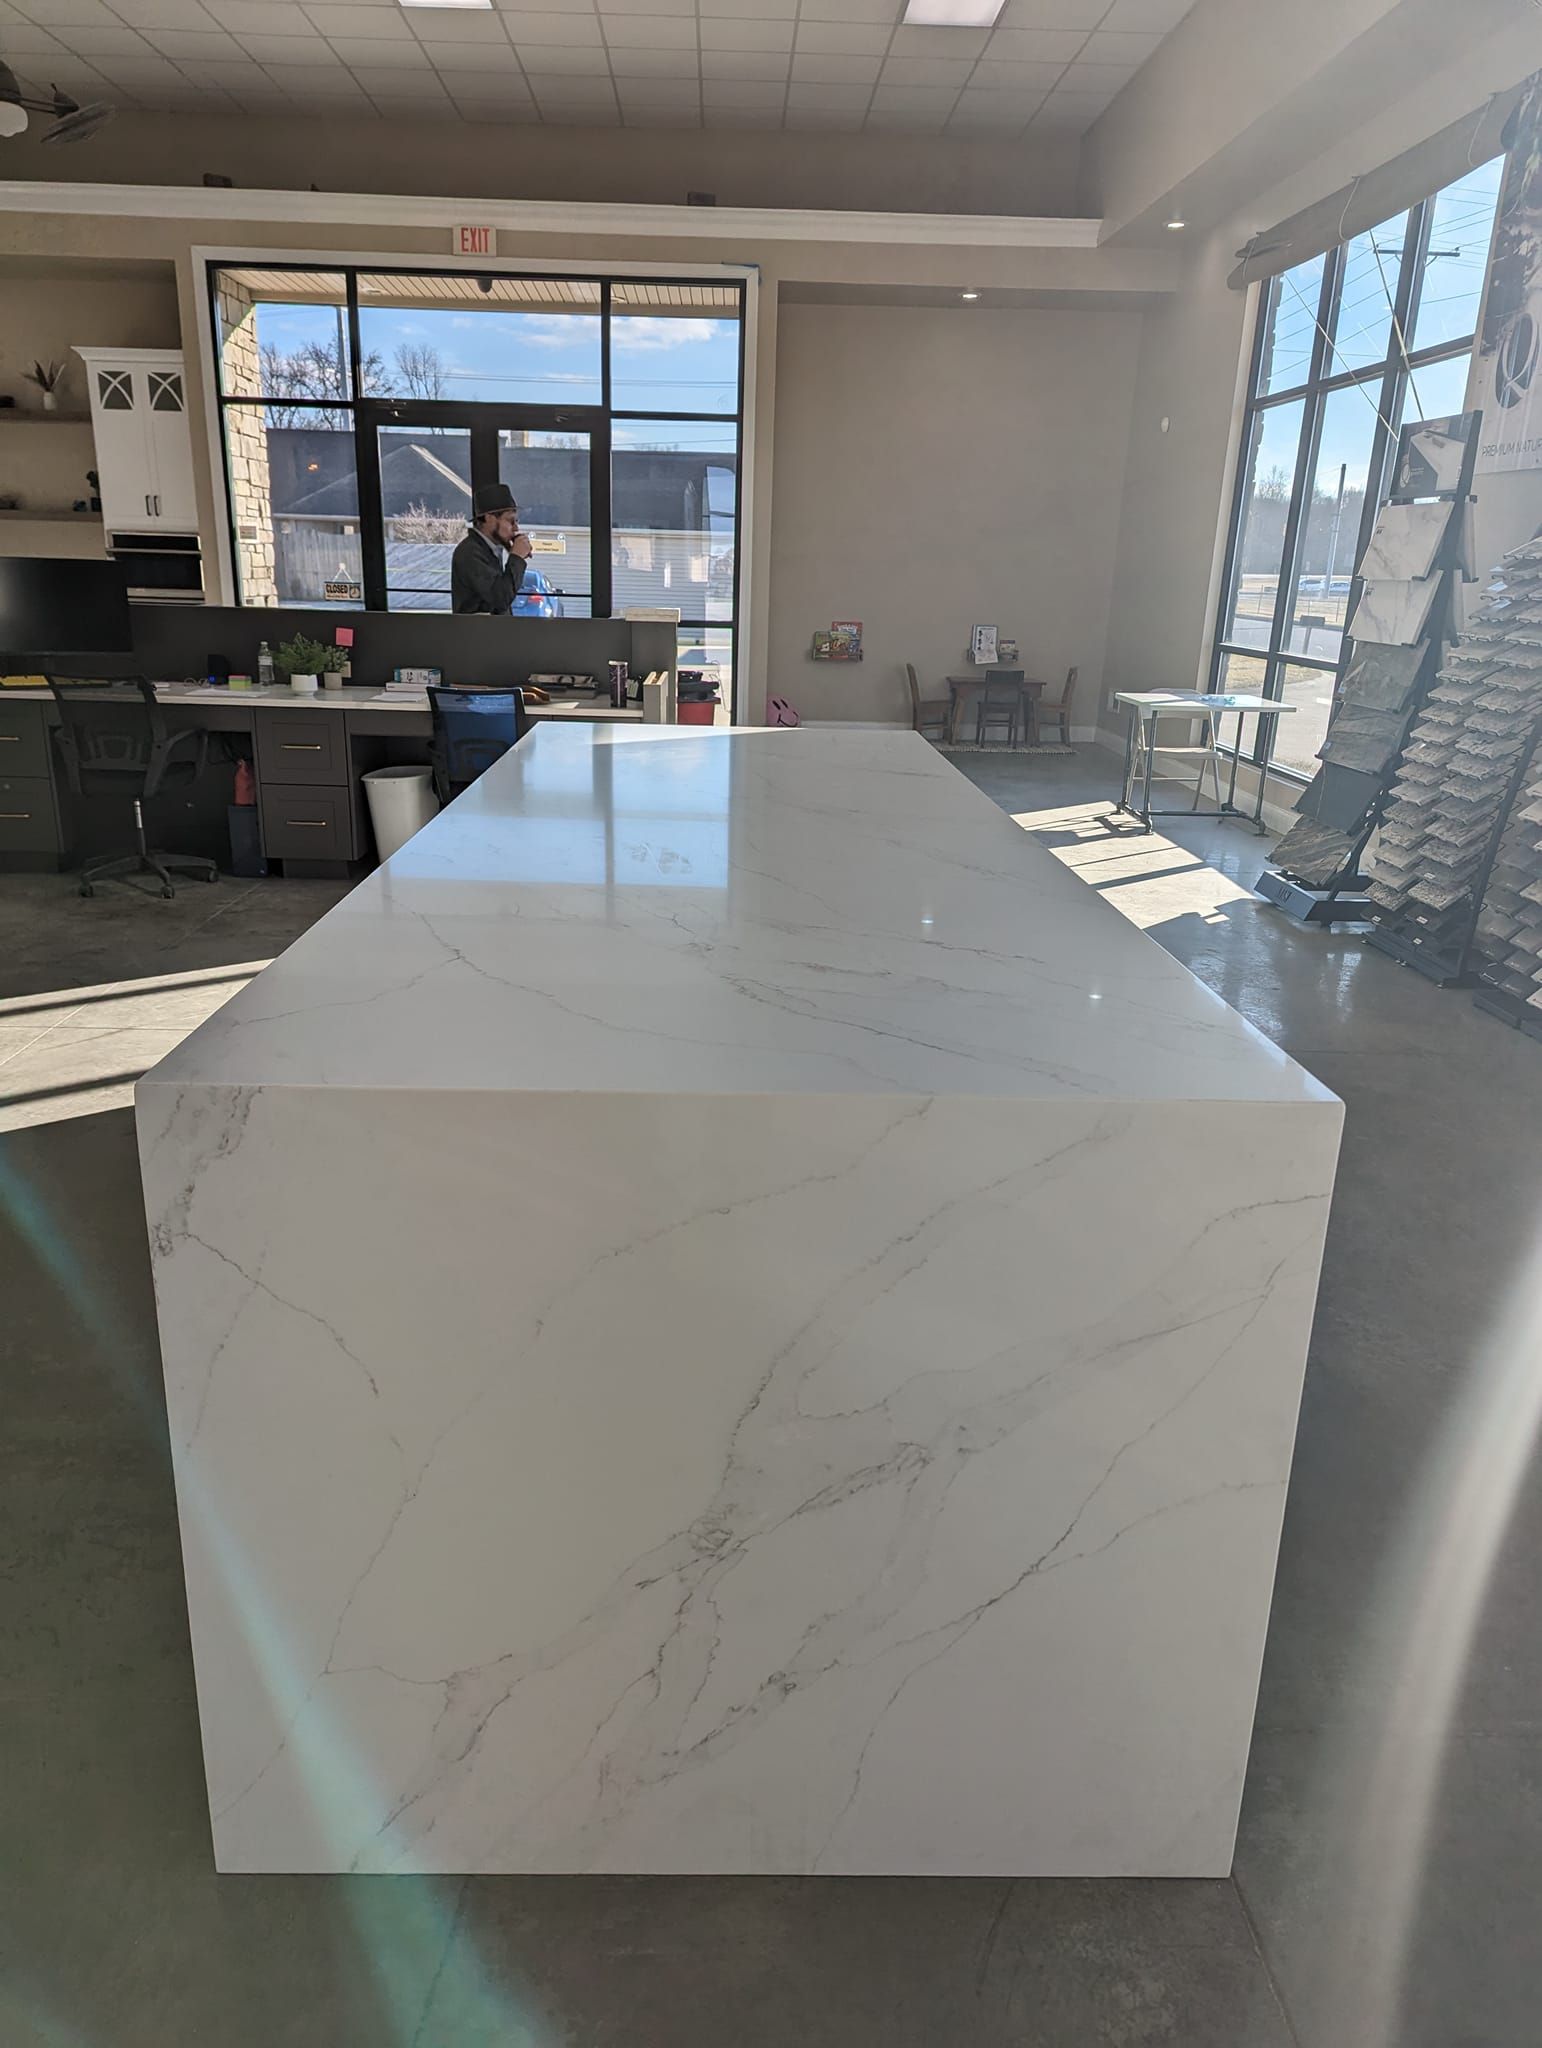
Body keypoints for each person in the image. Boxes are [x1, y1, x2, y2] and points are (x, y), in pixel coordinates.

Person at [450, 482, 533, 615]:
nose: (516, 528)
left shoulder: (487, 550)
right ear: (489, 518)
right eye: (511, 521)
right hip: (477, 634)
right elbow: (501, 599)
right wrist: (516, 558)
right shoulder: (470, 553)